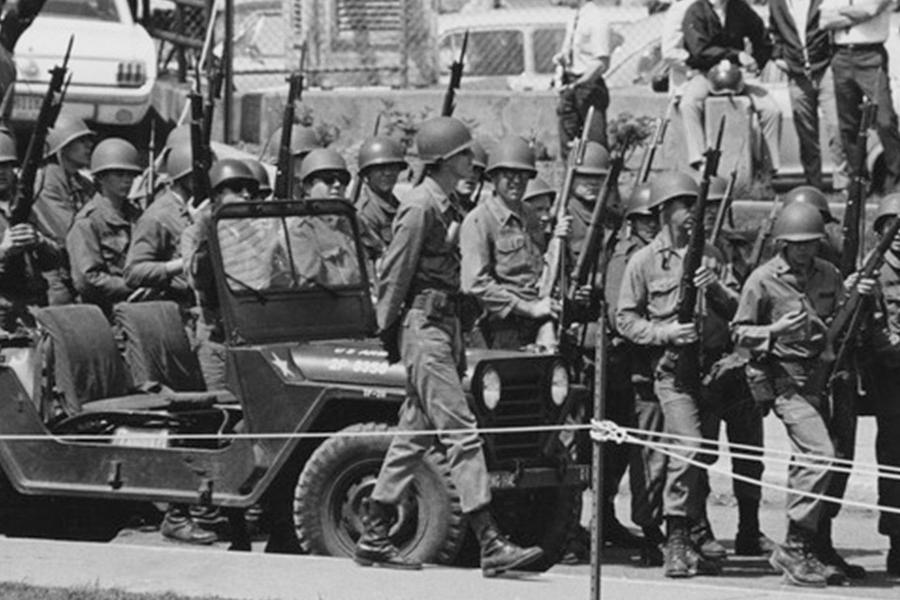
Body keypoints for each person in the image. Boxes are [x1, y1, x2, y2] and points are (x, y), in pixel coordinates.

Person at [355, 116, 545, 576]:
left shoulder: (447, 205)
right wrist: (387, 333)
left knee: (414, 434)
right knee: (462, 432)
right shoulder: (420, 207)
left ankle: (374, 532)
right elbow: (394, 275)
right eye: (463, 154)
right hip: (425, 329)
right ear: (442, 160)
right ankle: (490, 540)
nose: (471, 161)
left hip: (445, 328)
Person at [616, 171, 736, 578]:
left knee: (702, 455)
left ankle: (694, 532)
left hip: (710, 372)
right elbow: (625, 318)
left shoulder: (713, 254)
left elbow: (739, 309)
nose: (693, 214)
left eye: (697, 206)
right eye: (686, 206)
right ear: (665, 210)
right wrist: (664, 333)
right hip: (672, 373)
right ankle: (677, 537)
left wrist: (716, 287)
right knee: (688, 447)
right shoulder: (644, 261)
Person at [731, 201, 844, 587]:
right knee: (820, 454)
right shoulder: (762, 279)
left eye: (810, 243)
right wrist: (773, 330)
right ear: (782, 243)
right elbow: (739, 332)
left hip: (820, 377)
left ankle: (806, 546)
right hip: (783, 379)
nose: (804, 251)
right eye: (796, 244)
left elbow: (840, 318)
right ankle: (795, 546)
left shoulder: (829, 274)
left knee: (809, 461)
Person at [605, 182, 666, 564]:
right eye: (643, 219)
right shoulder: (625, 257)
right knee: (629, 451)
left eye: (654, 218)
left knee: (650, 449)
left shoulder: (662, 255)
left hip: (649, 364)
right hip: (626, 366)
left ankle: (648, 523)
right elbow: (619, 315)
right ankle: (638, 524)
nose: (650, 225)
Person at [460, 136, 568, 350]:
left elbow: (539, 266)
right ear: (493, 177)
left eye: (522, 175)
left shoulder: (529, 215)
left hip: (538, 318)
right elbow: (475, 283)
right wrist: (528, 308)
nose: (516, 181)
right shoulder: (479, 220)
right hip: (500, 325)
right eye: (508, 175)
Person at [181, 159, 262, 391]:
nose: (246, 194)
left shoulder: (258, 231)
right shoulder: (195, 233)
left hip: (253, 330)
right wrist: (207, 229)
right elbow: (197, 279)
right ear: (216, 195)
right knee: (222, 404)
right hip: (216, 337)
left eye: (250, 189)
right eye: (236, 188)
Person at [854, 194, 900, 576]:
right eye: (890, 225)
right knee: (894, 462)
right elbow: (865, 330)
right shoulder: (871, 270)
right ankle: (897, 542)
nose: (897, 233)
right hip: (890, 379)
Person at [681, 0, 781, 174]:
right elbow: (699, 49)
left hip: (738, 73)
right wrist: (736, 55)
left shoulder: (739, 7)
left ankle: (768, 168)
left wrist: (756, 63)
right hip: (706, 72)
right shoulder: (696, 11)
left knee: (771, 110)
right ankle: (699, 160)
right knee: (689, 104)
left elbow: (763, 39)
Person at [822, 0, 900, 193]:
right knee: (849, 125)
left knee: (885, 120)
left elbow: (871, 9)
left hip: (871, 54)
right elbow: (824, 21)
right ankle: (858, 181)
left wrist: (840, 11)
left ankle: (895, 182)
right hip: (842, 55)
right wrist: (858, 13)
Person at [768, 0, 847, 190]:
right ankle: (813, 185)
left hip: (824, 68)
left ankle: (843, 184)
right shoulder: (777, 3)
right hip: (796, 73)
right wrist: (779, 57)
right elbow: (775, 32)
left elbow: (833, 27)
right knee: (806, 132)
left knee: (836, 127)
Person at [66, 138, 141, 317]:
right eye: (119, 174)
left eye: (131, 175)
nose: (127, 181)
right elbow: (87, 280)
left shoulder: (138, 215)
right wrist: (132, 286)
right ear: (100, 177)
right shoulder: (87, 222)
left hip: (141, 307)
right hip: (105, 314)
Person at [0, 128, 59, 332]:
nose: (1, 172)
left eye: (6, 166)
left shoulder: (25, 207)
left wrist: (40, 241)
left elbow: (57, 258)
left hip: (33, 309)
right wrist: (3, 250)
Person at [33, 115, 96, 305]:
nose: (89, 146)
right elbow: (67, 231)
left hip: (78, 265)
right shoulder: (46, 181)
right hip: (53, 272)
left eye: (89, 140)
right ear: (62, 144)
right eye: (81, 140)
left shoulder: (82, 183)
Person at [124, 143, 195, 306]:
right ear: (185, 176)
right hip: (180, 305)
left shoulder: (203, 208)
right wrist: (182, 264)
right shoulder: (158, 216)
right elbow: (133, 272)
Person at [555, 0, 613, 157]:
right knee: (567, 140)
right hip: (569, 81)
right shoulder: (574, 17)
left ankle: (597, 171)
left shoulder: (597, 19)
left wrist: (579, 83)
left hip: (589, 85)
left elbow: (601, 62)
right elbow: (573, 50)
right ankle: (569, 171)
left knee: (594, 143)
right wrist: (562, 58)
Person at [354, 136, 407, 265]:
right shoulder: (365, 213)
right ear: (367, 174)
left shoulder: (396, 205)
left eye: (392, 167)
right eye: (380, 168)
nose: (387, 173)